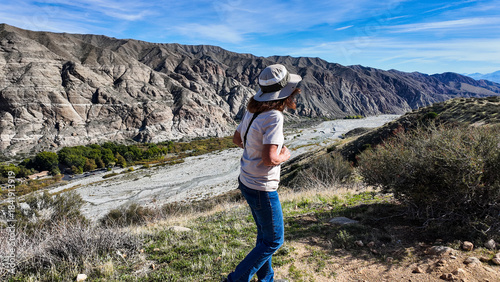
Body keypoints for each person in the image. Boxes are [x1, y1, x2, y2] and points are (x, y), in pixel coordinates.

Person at [225, 64, 302, 282]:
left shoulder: (253, 109)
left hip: (247, 180)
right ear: (287, 92)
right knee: (274, 240)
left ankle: (266, 279)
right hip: (262, 186)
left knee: (264, 236)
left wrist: (252, 151)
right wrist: (285, 155)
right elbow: (270, 159)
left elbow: (237, 139)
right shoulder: (274, 117)